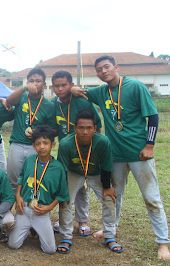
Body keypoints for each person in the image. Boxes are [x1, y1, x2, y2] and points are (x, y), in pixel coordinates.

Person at [72, 55, 170, 260]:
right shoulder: (101, 92)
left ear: (116, 67)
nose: (103, 71)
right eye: (99, 69)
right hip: (115, 155)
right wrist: (73, 89)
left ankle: (163, 242)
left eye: (106, 67)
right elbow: (81, 92)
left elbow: (152, 116)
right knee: (114, 195)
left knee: (151, 198)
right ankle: (111, 229)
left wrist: (150, 145)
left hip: (139, 153)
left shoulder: (135, 87)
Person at [57, 109, 122, 253]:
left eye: (89, 128)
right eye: (81, 127)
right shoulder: (65, 143)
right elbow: (62, 170)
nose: (85, 132)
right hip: (74, 173)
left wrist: (107, 186)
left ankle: (109, 235)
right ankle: (66, 236)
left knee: (110, 199)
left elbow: (106, 166)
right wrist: (62, 191)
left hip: (96, 174)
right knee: (65, 200)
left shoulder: (103, 141)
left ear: (95, 128)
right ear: (75, 128)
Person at [51, 70, 103, 236]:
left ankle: (82, 220)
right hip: (66, 152)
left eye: (64, 85)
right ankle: (63, 219)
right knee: (66, 185)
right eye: (56, 86)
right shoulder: (53, 104)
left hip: (86, 151)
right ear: (52, 87)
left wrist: (96, 148)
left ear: (71, 85)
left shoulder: (82, 101)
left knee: (83, 187)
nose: (60, 89)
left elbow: (98, 125)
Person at [8, 125, 69, 254]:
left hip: (42, 211)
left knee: (50, 250)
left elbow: (62, 194)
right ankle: (28, 228)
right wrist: (18, 196)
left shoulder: (58, 167)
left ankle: (37, 228)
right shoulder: (30, 161)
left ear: (53, 144)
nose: (42, 147)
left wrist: (49, 207)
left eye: (45, 143)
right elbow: (21, 179)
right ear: (34, 146)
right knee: (13, 245)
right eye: (38, 144)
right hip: (24, 209)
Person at [6, 67, 56, 192]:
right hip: (17, 143)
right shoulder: (21, 97)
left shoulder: (48, 105)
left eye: (38, 81)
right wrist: (23, 88)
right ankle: (14, 209)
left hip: (36, 146)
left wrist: (39, 132)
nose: (34, 83)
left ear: (44, 84)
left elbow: (54, 130)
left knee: (34, 179)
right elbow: (9, 101)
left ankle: (31, 206)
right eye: (31, 80)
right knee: (13, 181)